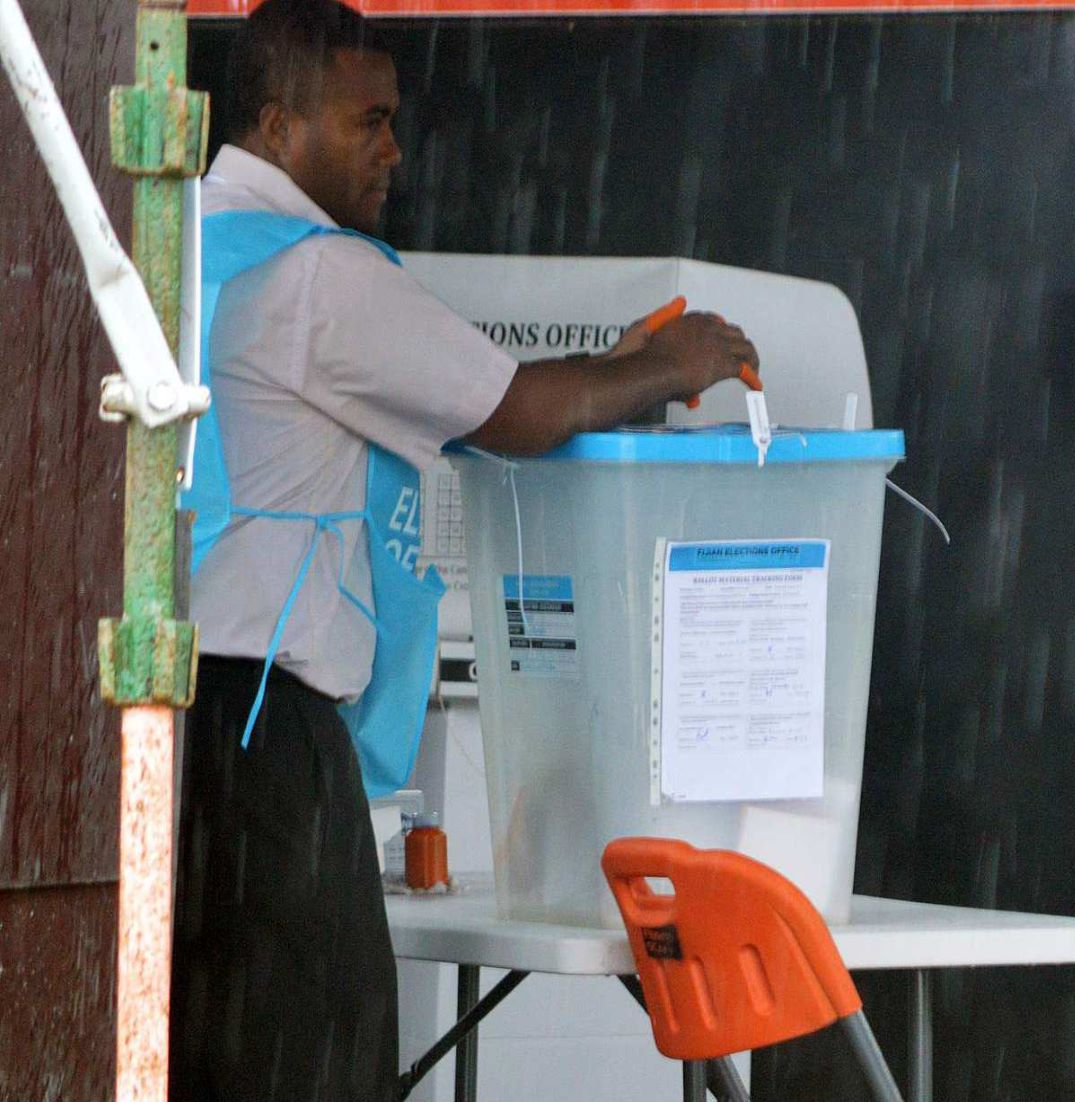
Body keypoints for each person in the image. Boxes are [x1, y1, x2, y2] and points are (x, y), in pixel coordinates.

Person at [169, 2, 758, 1098]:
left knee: (199, 1054)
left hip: (157, 734)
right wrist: (670, 364)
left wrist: (602, 370)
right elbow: (519, 411)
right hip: (264, 744)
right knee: (312, 1058)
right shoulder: (322, 277)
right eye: (369, 120)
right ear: (277, 123)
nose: (394, 149)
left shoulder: (180, 246)